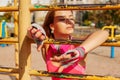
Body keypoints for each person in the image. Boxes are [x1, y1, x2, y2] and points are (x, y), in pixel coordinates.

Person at [27, 10, 109, 80]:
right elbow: (29, 33)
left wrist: (80, 51)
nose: (69, 21)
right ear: (52, 26)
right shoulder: (47, 44)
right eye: (62, 19)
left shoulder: (77, 44)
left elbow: (104, 33)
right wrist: (36, 29)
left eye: (71, 18)